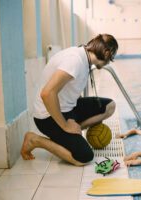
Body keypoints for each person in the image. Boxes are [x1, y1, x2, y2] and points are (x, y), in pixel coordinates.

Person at [20, 34, 118, 166]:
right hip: (47, 116)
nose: (109, 61)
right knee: (83, 157)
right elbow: (47, 93)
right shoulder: (75, 60)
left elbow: (70, 89)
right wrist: (65, 125)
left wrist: (74, 117)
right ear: (106, 53)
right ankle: (35, 140)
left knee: (109, 106)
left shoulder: (84, 57)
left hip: (68, 108)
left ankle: (67, 136)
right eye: (111, 57)